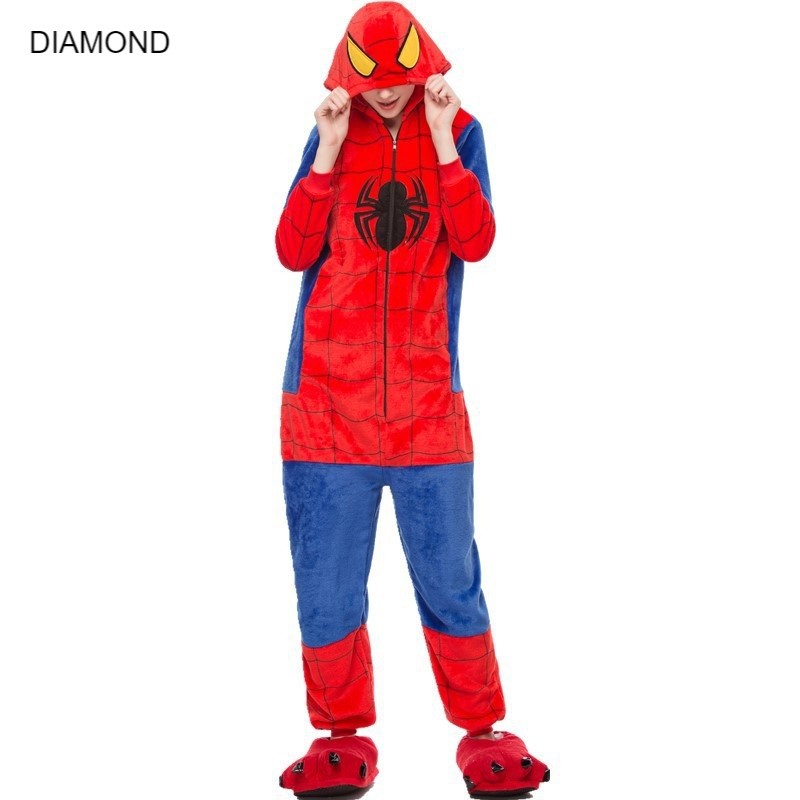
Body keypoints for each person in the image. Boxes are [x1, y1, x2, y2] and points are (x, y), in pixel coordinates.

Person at [274, 3, 550, 796]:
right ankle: (340, 737)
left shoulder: (460, 131)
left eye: (400, 76)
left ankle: (483, 732)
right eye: (372, 79)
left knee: (449, 574)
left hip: (428, 405)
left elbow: (475, 241)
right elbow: (293, 249)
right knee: (326, 580)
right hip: (325, 405)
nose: (386, 91)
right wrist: (328, 151)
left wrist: (439, 140)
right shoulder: (329, 134)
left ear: (422, 62)